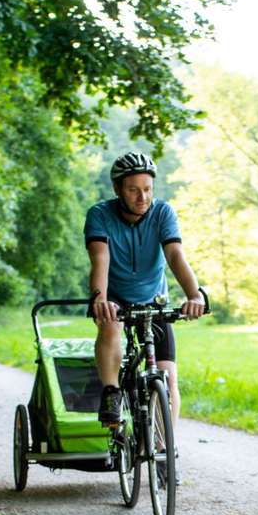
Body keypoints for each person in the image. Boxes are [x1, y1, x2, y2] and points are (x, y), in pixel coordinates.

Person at [84, 151, 205, 447]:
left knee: (168, 377)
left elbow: (175, 255)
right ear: (118, 190)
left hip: (154, 300)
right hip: (115, 299)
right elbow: (100, 257)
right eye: (133, 189)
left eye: (148, 189)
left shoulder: (163, 213)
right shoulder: (100, 214)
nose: (142, 197)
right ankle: (112, 392)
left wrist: (195, 294)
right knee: (110, 324)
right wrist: (100, 298)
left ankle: (164, 451)